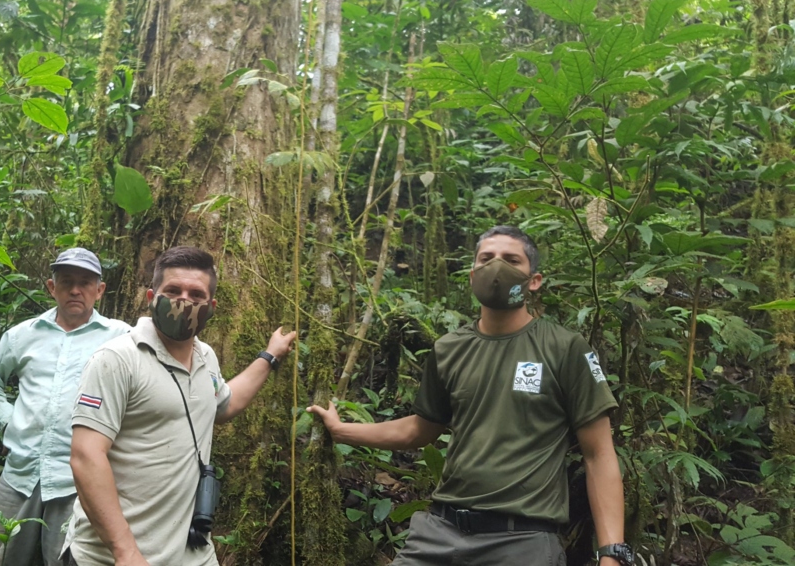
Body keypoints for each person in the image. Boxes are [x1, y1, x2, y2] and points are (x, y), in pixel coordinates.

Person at [308, 225, 634, 566]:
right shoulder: (449, 349)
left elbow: (598, 454)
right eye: (486, 258)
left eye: (511, 260)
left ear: (534, 281)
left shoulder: (564, 348)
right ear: (472, 275)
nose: (497, 267)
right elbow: (420, 429)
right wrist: (343, 431)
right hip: (439, 533)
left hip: (522, 540)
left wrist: (612, 554)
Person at [65, 246, 296, 566]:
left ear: (211, 307)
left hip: (192, 552)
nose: (184, 300)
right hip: (113, 556)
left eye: (196, 294)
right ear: (152, 297)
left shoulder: (206, 357)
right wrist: (124, 550)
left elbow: (224, 404)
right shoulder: (117, 359)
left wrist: (269, 356)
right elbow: (86, 456)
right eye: (173, 290)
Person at [0, 248, 131, 566]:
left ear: (99, 290)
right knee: (2, 557)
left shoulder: (120, 337)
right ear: (51, 287)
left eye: (85, 283)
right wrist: (8, 419)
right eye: (66, 281)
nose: (75, 290)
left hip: (80, 481)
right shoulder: (23, 335)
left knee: (71, 560)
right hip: (20, 473)